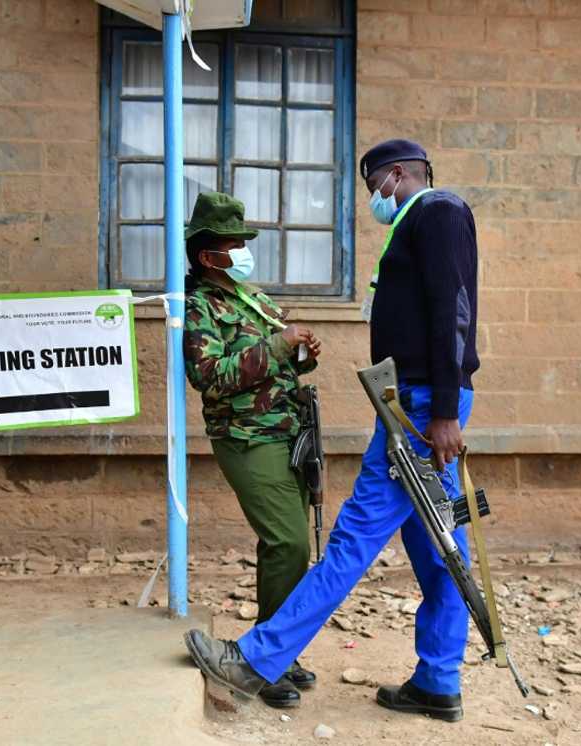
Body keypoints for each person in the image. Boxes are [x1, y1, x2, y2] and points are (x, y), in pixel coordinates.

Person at [183, 140, 481, 722]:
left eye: (375, 186)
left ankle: (252, 662)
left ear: (398, 175)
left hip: (419, 414)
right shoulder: (421, 221)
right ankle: (438, 680)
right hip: (413, 405)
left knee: (351, 541)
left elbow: (454, 313)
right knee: (439, 544)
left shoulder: (437, 211)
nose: (375, 198)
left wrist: (443, 410)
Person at [182, 191, 323, 709]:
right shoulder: (199, 307)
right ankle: (267, 662)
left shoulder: (254, 297)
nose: (244, 251)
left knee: (284, 546)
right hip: (246, 437)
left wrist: (302, 355)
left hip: (288, 433)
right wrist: (279, 346)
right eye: (234, 243)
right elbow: (209, 376)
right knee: (289, 542)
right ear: (207, 256)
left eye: (244, 242)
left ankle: (274, 649)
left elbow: (280, 362)